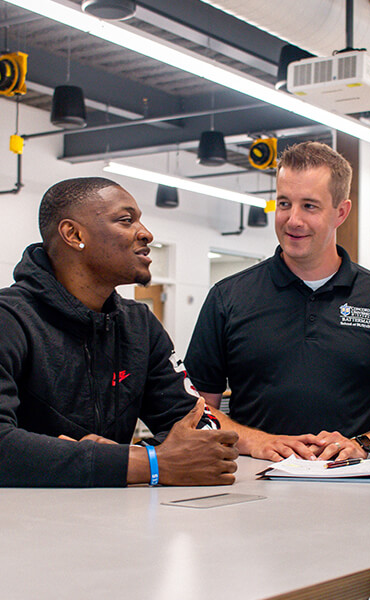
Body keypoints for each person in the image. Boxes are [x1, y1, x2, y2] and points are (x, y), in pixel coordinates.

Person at [185, 141, 370, 462]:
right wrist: (255, 442)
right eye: (284, 204)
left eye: (309, 206)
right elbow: (195, 409)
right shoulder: (228, 297)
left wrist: (362, 445)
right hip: (253, 485)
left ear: (341, 212)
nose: (293, 220)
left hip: (356, 488)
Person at [0, 177, 238, 487]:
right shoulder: (10, 320)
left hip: (114, 522)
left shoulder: (139, 326)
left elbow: (202, 430)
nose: (146, 233)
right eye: (126, 220)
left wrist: (122, 460)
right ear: (73, 234)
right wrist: (144, 464)